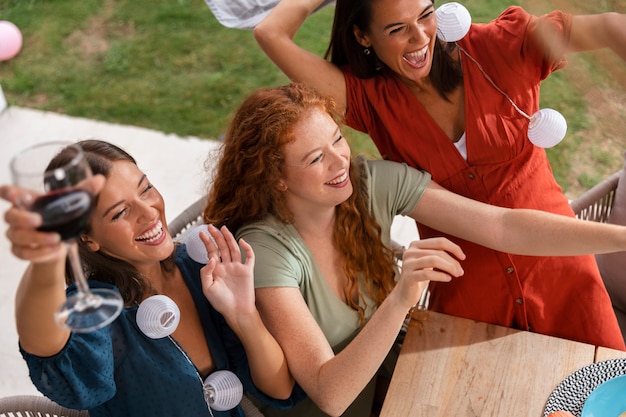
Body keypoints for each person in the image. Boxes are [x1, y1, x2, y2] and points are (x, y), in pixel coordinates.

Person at [202, 83, 626, 417]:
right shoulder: (265, 249)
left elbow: (502, 225)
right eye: (316, 159)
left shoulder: (367, 183)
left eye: (338, 140)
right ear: (276, 178)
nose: (339, 162)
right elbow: (330, 395)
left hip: (403, 380)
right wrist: (403, 295)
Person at [252, 0, 626, 350]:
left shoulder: (504, 45)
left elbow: (611, 27)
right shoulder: (368, 99)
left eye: (426, 15)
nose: (420, 38)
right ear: (363, 37)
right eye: (397, 29)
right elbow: (270, 34)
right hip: (467, 295)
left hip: (563, 272)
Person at [0, 139, 303, 417]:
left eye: (145, 188)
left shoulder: (204, 272)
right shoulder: (101, 313)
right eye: (120, 213)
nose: (149, 212)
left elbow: (279, 389)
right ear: (87, 239)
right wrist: (48, 256)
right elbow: (48, 346)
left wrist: (244, 315)